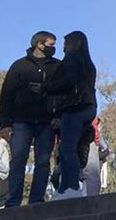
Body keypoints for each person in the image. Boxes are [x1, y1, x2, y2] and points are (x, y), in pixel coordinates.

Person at [32, 31, 98, 200]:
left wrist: (45, 88)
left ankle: (72, 186)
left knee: (67, 148)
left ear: (72, 44)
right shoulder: (88, 64)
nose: (62, 47)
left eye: (65, 43)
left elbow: (67, 82)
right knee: (70, 147)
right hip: (88, 106)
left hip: (74, 107)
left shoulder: (71, 60)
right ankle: (64, 188)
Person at [0, 31, 60, 206]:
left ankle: (36, 200)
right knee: (18, 160)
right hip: (21, 122)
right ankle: (13, 201)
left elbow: (62, 93)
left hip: (47, 122)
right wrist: (5, 124)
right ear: (39, 44)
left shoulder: (57, 66)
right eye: (50, 44)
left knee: (43, 161)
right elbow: (6, 96)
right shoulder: (19, 66)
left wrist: (58, 116)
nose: (53, 48)